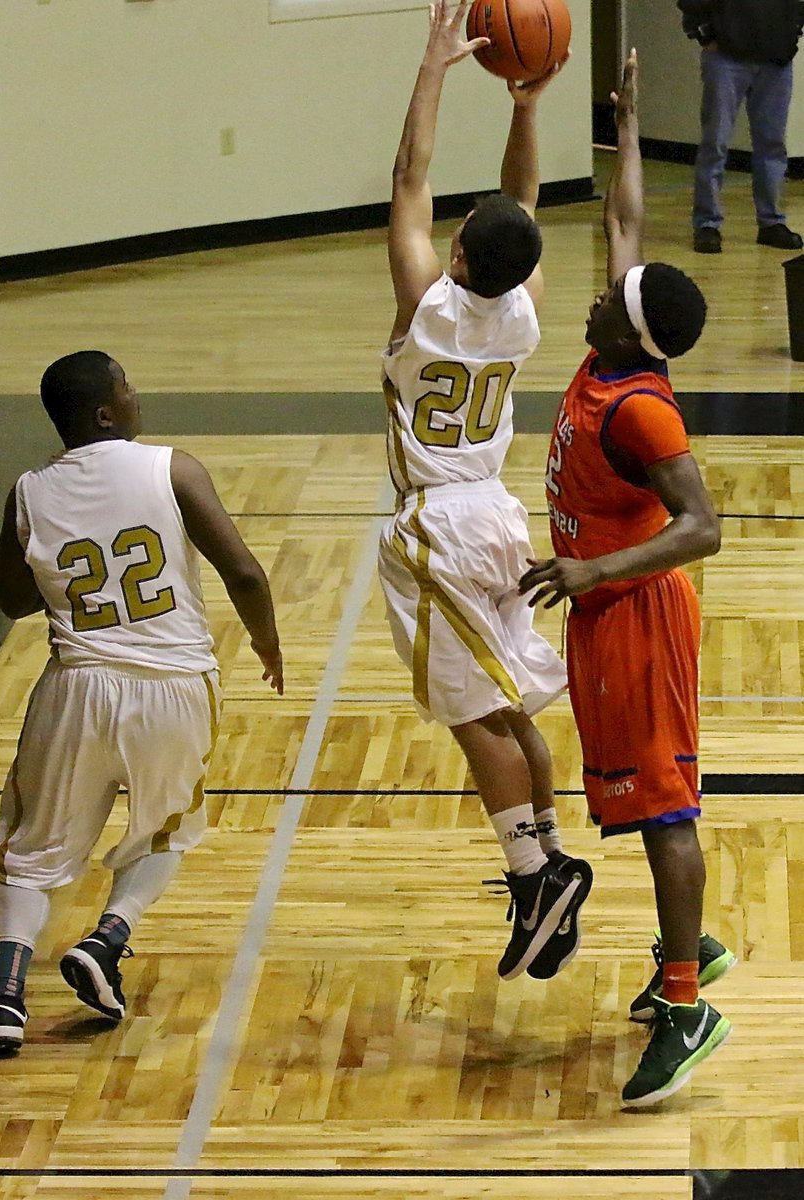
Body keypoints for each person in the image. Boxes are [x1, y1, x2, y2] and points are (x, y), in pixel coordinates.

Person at [519, 51, 735, 1108]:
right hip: (602, 611)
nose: (600, 284)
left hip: (637, 612)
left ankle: (689, 1003)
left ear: (625, 328)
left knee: (664, 810)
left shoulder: (640, 407)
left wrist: (592, 565)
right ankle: (683, 958)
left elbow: (703, 526)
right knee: (641, 806)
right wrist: (630, 127)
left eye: (610, 294)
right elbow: (626, 228)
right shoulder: (609, 355)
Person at [0, 351, 283, 1055]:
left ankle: (3, 997)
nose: (137, 394)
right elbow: (245, 573)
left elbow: (14, 601)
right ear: (108, 411)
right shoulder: (173, 467)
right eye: (128, 386)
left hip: (75, 687)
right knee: (166, 827)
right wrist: (267, 645)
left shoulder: (29, 489)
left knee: (32, 846)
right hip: (173, 685)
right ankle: (107, 940)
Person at [377, 0, 591, 986]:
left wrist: (432, 65)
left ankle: (531, 874)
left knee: (473, 721)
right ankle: (545, 863)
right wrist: (524, 106)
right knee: (510, 708)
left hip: (437, 528)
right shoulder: (523, 313)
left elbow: (409, 177)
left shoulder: (428, 305)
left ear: (457, 259)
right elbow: (520, 212)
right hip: (499, 516)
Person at [678, 0, 804, 253]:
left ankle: (771, 222)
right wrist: (704, 35)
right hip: (725, 56)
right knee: (715, 142)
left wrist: (793, 30)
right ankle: (707, 224)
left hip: (777, 57)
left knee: (772, 144)